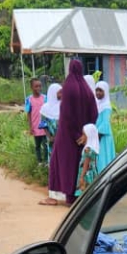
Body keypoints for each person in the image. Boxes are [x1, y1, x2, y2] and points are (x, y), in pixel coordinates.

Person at [43, 58, 98, 206]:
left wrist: (74, 134)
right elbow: (94, 112)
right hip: (83, 136)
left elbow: (67, 114)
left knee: (63, 163)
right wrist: (86, 133)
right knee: (79, 163)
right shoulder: (87, 90)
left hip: (67, 136)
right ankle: (80, 195)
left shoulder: (68, 87)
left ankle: (67, 197)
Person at [94, 80, 116, 174]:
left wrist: (97, 136)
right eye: (97, 90)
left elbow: (105, 123)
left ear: (105, 92)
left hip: (103, 137)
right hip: (98, 136)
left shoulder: (106, 106)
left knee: (104, 158)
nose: (98, 93)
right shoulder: (98, 105)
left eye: (100, 90)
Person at [26, 76, 48, 166]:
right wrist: (30, 127)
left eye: (40, 86)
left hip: (44, 126)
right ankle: (39, 161)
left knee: (45, 144)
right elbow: (28, 113)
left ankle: (46, 161)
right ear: (32, 87)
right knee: (37, 145)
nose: (39, 88)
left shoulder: (45, 98)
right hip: (35, 126)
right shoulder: (29, 99)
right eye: (36, 86)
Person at [75, 123, 100, 197]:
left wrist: (82, 177)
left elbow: (86, 164)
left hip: (86, 174)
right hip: (92, 173)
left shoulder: (87, 149)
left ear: (89, 135)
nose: (82, 136)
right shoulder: (94, 148)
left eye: (84, 134)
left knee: (84, 192)